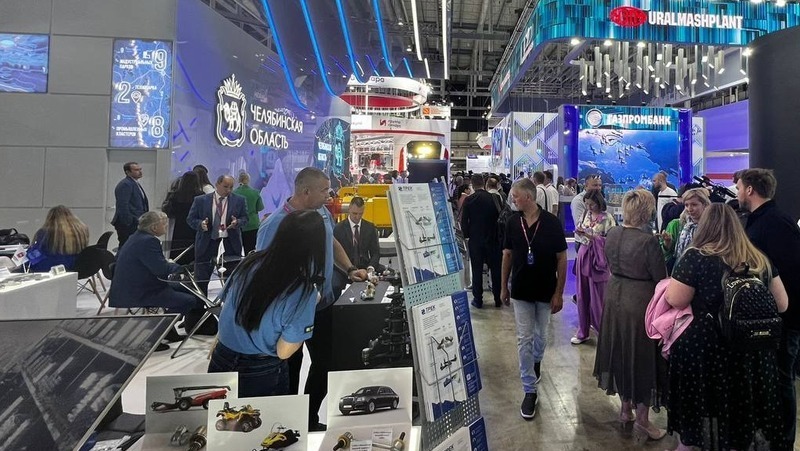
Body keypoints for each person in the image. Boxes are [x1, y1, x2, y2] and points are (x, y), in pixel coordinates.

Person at [666, 203, 788, 451]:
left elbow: (676, 299)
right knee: (741, 404)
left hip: (707, 348)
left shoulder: (695, 257)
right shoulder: (758, 258)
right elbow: (782, 304)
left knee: (706, 403)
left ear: (705, 227)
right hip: (751, 350)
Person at [256, 167, 366, 431]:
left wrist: (350, 269)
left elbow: (331, 242)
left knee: (327, 364)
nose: (329, 195)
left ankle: (308, 416)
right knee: (289, 368)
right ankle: (288, 424)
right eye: (324, 190)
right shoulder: (274, 225)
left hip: (323, 306)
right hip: (289, 314)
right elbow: (261, 272)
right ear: (306, 191)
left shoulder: (321, 213)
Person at [208, 210, 327, 397]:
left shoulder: (249, 262)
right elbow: (284, 352)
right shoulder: (301, 291)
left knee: (219, 414)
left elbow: (227, 307)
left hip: (221, 357)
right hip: (260, 372)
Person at [593, 189, 668, 442]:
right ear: (647, 211)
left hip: (614, 297)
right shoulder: (648, 242)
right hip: (640, 302)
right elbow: (661, 278)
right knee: (643, 357)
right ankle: (643, 420)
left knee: (621, 351)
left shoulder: (613, 233)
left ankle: (625, 409)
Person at [736, 168, 800, 450]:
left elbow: (791, 274)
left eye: (739, 187)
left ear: (750, 189)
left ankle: (783, 441)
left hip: (784, 320)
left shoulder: (775, 224)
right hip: (772, 319)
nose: (737, 193)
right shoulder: (763, 221)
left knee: (782, 379)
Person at [500, 178, 568, 420]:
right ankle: (529, 390)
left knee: (541, 336)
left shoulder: (551, 223)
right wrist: (503, 287)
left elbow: (561, 258)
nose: (512, 200)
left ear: (528, 197)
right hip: (521, 290)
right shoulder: (512, 222)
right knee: (524, 338)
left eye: (515, 196)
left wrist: (559, 292)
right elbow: (507, 255)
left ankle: (536, 361)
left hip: (545, 290)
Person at [108, 211, 199, 349]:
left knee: (187, 289)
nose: (166, 226)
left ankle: (168, 329)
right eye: (164, 223)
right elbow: (161, 269)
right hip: (141, 291)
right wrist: (180, 268)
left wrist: (170, 265)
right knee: (189, 300)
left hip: (133, 286)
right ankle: (156, 333)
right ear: (154, 227)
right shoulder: (148, 241)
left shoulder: (136, 237)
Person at [187, 175, 249, 295]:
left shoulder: (239, 200)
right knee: (202, 279)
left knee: (231, 279)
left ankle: (228, 303)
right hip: (207, 242)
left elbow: (245, 218)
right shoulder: (200, 200)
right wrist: (201, 224)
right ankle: (200, 304)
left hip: (230, 243)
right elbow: (191, 219)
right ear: (217, 184)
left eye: (231, 187)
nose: (228, 190)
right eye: (225, 187)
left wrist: (237, 222)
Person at [571, 190, 616, 345]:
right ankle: (583, 331)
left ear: (599, 202)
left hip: (598, 259)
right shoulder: (585, 214)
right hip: (584, 254)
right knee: (582, 295)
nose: (589, 207)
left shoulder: (607, 218)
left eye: (591, 204)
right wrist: (580, 233)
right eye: (587, 204)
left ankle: (604, 332)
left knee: (598, 297)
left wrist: (592, 237)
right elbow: (580, 233)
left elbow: (611, 241)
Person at [460, 174, 503, 308]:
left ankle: (478, 300)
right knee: (495, 270)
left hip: (476, 240)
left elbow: (464, 221)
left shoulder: (469, 200)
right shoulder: (494, 198)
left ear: (472, 184)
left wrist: (467, 236)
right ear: (484, 183)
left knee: (477, 270)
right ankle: (497, 298)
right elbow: (500, 217)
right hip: (493, 239)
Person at [660, 188, 710, 273]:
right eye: (686, 205)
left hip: (703, 271)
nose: (689, 209)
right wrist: (667, 244)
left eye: (694, 204)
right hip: (679, 270)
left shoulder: (711, 226)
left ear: (704, 205)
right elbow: (664, 254)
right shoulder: (676, 224)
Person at [27, 205, 89, 272]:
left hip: (48, 268)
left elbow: (35, 254)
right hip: (75, 267)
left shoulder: (44, 233)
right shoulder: (81, 231)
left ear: (50, 219)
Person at [333, 196, 381, 275]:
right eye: (354, 213)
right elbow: (335, 254)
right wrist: (348, 270)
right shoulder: (338, 228)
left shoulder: (370, 228)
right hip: (344, 270)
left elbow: (375, 252)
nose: (357, 217)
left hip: (365, 268)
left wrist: (370, 268)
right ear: (349, 209)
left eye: (360, 214)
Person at [163, 171, 203, 265]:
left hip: (178, 229)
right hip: (193, 228)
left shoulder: (174, 195)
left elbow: (168, 211)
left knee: (177, 253)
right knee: (192, 253)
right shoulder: (200, 195)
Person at [111, 162, 149, 248]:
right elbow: (123, 205)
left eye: (140, 169)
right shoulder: (125, 184)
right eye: (136, 170)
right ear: (128, 172)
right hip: (128, 224)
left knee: (133, 246)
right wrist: (129, 222)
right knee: (126, 246)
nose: (140, 171)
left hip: (136, 222)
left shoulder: (135, 183)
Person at [233, 172, 265, 255]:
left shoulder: (234, 193)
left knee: (237, 251)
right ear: (248, 180)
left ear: (238, 180)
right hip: (253, 224)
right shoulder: (255, 192)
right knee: (251, 251)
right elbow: (260, 208)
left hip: (238, 225)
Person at [570, 175, 603, 253]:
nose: (598, 188)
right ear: (586, 186)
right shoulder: (578, 201)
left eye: (600, 185)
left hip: (598, 243)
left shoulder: (601, 199)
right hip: (584, 243)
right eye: (595, 185)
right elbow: (579, 225)